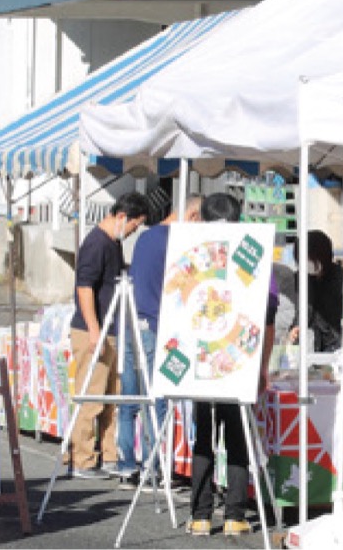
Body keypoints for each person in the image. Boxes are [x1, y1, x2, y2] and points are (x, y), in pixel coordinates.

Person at [187, 193, 277, 537]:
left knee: (204, 435)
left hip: (201, 360)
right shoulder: (253, 254)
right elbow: (268, 318)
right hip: (240, 359)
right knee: (237, 437)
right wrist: (263, 367)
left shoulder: (191, 252)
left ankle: (200, 516)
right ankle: (234, 516)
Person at [116, 195, 203, 488]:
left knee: (129, 400)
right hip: (155, 325)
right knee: (157, 401)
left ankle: (127, 467)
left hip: (130, 321)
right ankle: (152, 468)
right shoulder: (176, 242)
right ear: (192, 216)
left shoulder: (144, 237)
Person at [68, 192, 150, 479]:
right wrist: (94, 329)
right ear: (122, 216)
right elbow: (84, 288)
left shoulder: (113, 243)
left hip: (113, 329)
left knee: (111, 395)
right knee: (92, 394)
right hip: (93, 329)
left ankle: (108, 455)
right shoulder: (96, 244)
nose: (133, 232)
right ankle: (82, 459)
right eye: (134, 225)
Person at [289, 229, 343, 352]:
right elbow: (299, 309)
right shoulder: (299, 278)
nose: (308, 263)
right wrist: (295, 327)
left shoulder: (342, 279)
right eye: (303, 260)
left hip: (337, 347)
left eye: (311, 259)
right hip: (309, 347)